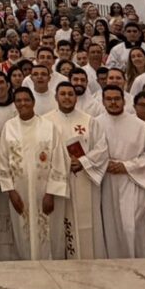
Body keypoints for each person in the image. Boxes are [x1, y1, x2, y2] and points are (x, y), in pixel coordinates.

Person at [0, 87, 67, 260]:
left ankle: (51, 269)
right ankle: (27, 268)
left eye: (26, 100)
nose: (23, 103)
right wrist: (10, 192)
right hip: (19, 193)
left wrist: (51, 193)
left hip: (45, 192)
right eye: (18, 100)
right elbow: (3, 161)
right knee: (23, 233)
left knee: (48, 233)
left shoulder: (48, 127)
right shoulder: (9, 127)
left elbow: (59, 161)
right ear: (15, 104)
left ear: (33, 102)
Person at [44, 82, 107, 260]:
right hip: (56, 180)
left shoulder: (88, 121)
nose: (66, 97)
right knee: (58, 222)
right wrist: (62, 163)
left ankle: (85, 261)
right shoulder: (46, 121)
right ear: (56, 97)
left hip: (82, 178)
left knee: (85, 222)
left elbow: (102, 149)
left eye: (70, 94)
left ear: (76, 97)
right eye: (62, 94)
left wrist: (83, 161)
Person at [100, 86, 145, 258]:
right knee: (110, 225)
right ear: (103, 101)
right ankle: (113, 264)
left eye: (116, 98)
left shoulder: (141, 126)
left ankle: (138, 263)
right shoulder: (96, 123)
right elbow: (91, 152)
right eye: (109, 99)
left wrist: (127, 166)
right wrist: (104, 164)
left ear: (124, 101)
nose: (113, 102)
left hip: (132, 181)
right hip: (107, 182)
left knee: (131, 224)